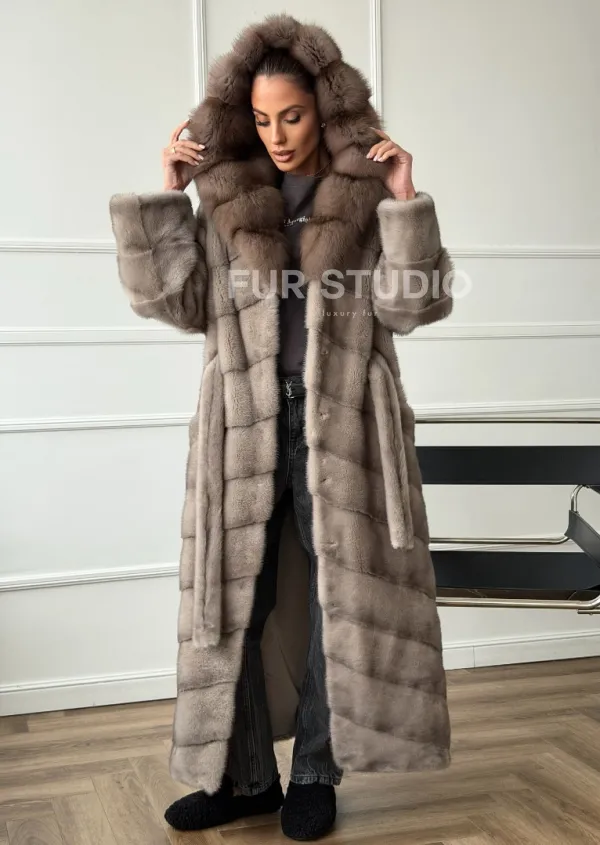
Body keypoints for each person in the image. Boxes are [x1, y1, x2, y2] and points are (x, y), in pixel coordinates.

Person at [109, 13, 454, 842]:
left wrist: (405, 201)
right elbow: (180, 305)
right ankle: (247, 777)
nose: (277, 135)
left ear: (323, 111)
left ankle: (314, 773)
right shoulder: (228, 200)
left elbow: (411, 307)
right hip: (244, 425)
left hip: (345, 421)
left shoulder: (364, 198)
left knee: (343, 601)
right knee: (236, 600)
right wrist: (168, 197)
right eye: (262, 119)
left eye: (292, 115)